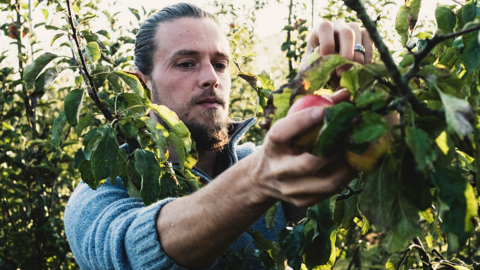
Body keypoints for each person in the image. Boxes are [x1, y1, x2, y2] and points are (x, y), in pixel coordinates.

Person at [64, 2, 374, 269]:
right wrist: (260, 179)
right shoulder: (97, 196)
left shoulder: (255, 160)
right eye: (186, 63)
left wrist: (364, 98)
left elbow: (348, 169)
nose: (211, 78)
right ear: (142, 84)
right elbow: (132, 254)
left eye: (220, 64)